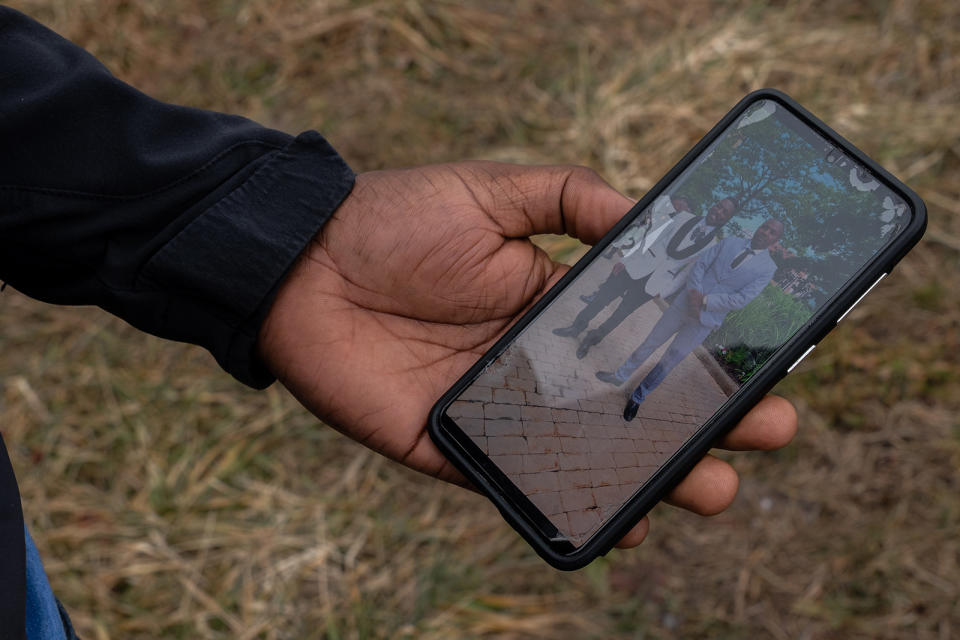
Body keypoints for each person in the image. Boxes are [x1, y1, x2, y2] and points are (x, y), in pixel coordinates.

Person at [0, 7, 798, 638]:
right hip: (666, 288)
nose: (747, 226)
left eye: (755, 226)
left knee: (660, 363)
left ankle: (636, 402)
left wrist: (274, 238)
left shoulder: (753, 257)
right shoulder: (727, 240)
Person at [597, 218, 785, 421]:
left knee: (669, 362)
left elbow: (742, 298)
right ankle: (620, 376)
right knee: (650, 342)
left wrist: (705, 301)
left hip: (706, 320)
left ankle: (638, 397)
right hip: (684, 304)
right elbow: (700, 265)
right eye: (765, 226)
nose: (766, 232)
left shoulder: (767, 268)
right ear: (759, 226)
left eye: (772, 232)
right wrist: (695, 294)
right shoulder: (730, 241)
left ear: (776, 240)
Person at [554, 194, 738, 359]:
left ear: (727, 219)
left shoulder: (712, 246)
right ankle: (576, 326)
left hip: (656, 282)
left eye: (724, 212)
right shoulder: (683, 217)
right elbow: (652, 235)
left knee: (621, 314)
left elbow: (688, 272)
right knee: (603, 297)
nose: (719, 211)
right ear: (714, 205)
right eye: (719, 206)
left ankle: (591, 340)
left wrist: (665, 291)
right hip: (637, 265)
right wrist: (626, 259)